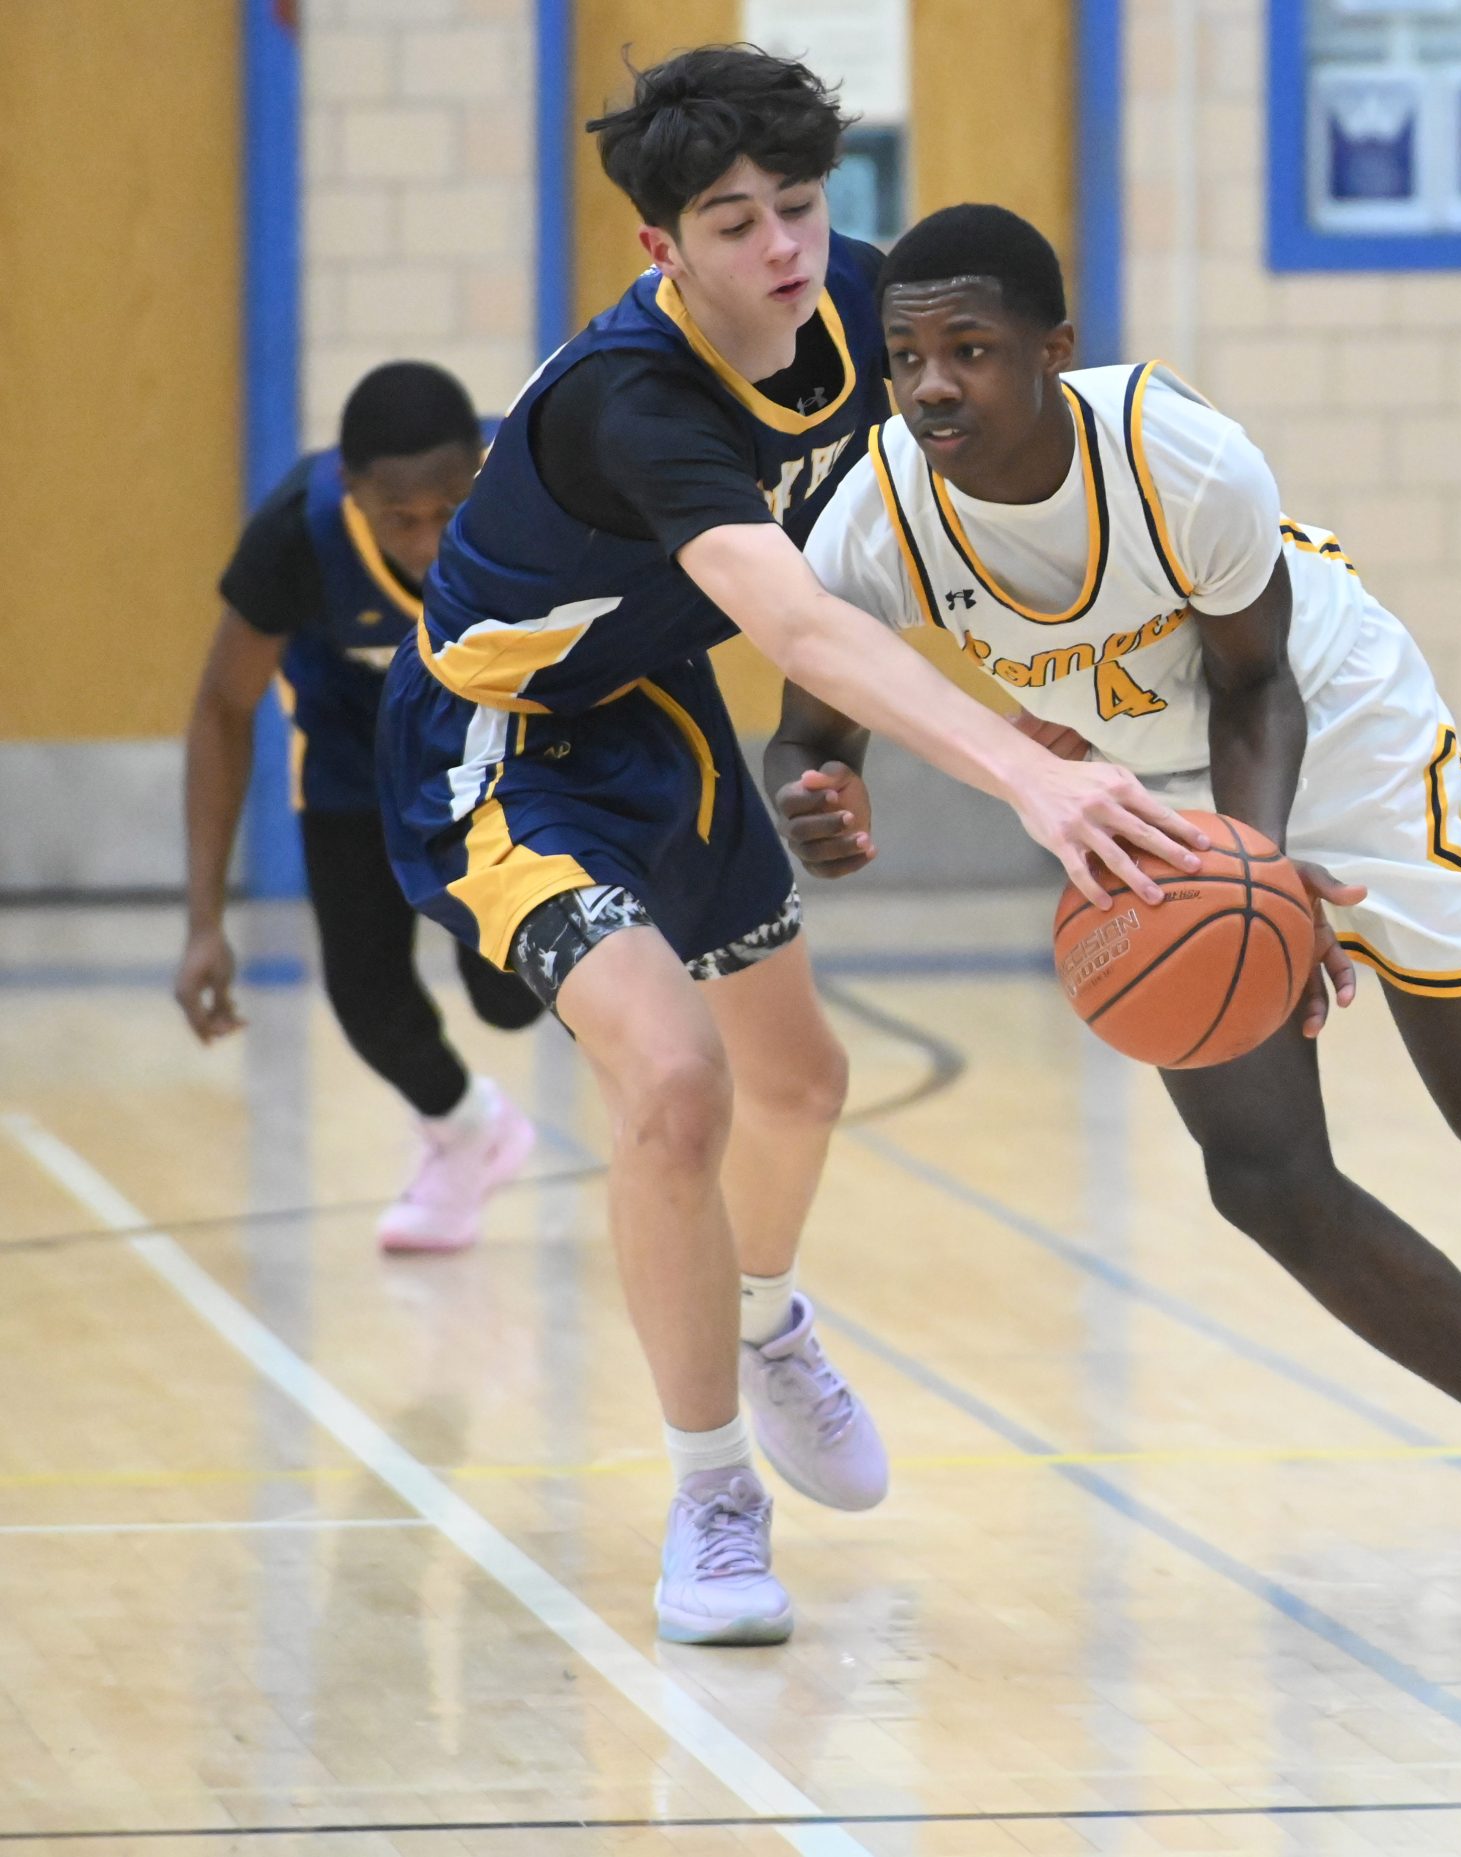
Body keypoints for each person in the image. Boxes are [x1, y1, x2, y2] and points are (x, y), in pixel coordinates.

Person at [374, 48, 1204, 1647]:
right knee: (675, 1082)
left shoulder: (872, 312)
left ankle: (764, 1321)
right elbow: (798, 618)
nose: (781, 248)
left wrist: (1077, 717)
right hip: (498, 746)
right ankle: (712, 1503)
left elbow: (953, 531)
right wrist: (1022, 784)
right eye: (735, 220)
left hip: (650, 706)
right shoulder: (638, 399)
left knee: (803, 1082)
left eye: (803, 207)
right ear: (662, 249)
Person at [788, 203, 1461, 1648]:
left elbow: (1258, 686)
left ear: (1056, 352)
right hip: (1152, 804)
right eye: (907, 357)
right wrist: (814, 797)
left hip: (1334, 729)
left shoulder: (1175, 456)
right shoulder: (873, 520)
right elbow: (811, 725)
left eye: (971, 349)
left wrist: (1262, 876)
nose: (934, 386)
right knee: (1263, 1178)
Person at [178, 362, 542, 1253]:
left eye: (448, 511)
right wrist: (204, 922)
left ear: (482, 472)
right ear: (352, 490)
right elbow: (224, 709)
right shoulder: (294, 541)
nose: (427, 542)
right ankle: (465, 1129)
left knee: (511, 994)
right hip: (358, 767)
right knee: (366, 997)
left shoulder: (535, 505)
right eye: (400, 518)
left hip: (500, 761)